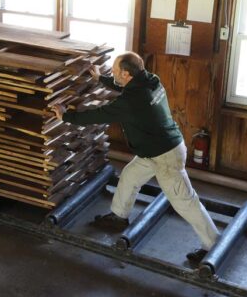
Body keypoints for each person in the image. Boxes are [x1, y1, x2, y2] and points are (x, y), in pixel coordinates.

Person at [50, 52, 220, 266]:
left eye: (114, 71)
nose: (112, 74)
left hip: (165, 155)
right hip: (156, 149)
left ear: (126, 73)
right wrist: (101, 79)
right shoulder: (150, 80)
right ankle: (119, 216)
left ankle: (213, 245)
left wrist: (66, 116)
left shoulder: (130, 101)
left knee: (185, 201)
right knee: (130, 175)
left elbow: (98, 115)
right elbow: (126, 87)